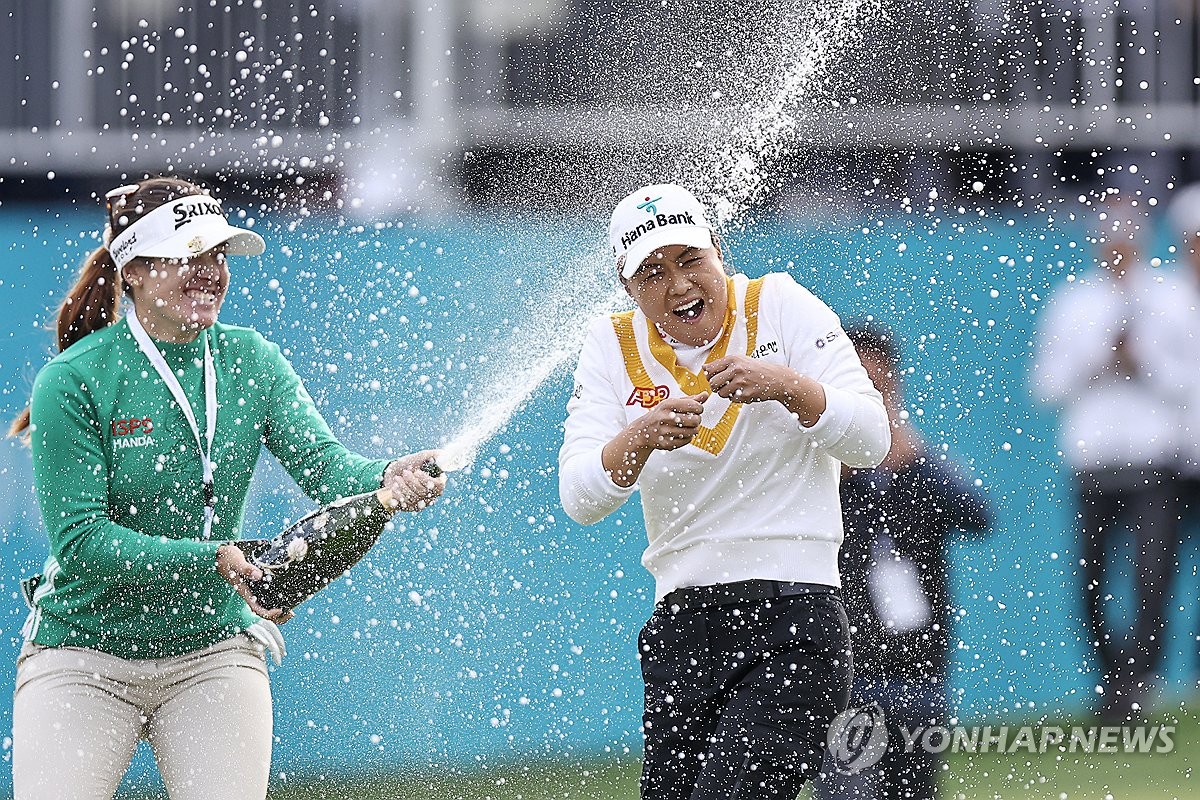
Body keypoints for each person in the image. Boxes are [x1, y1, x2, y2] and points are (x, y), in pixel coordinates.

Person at [9, 177, 447, 800]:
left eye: (217, 254)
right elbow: (82, 543)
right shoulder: (71, 379)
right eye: (187, 256)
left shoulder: (252, 358)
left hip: (213, 645)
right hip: (82, 653)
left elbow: (327, 468)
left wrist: (386, 476)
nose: (208, 271)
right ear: (132, 269)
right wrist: (212, 557)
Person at [558, 183, 891, 799]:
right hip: (682, 624)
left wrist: (787, 384)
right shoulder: (611, 343)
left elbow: (871, 439)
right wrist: (639, 438)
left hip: (796, 615)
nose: (679, 285)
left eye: (690, 260)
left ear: (719, 252)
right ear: (629, 290)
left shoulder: (781, 303)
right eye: (652, 272)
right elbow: (579, 496)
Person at [813, 323, 989, 800]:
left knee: (913, 789)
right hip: (846, 670)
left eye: (880, 384)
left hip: (919, 668)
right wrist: (841, 472)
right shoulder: (818, 467)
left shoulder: (916, 463)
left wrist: (913, 463)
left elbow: (978, 515)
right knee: (847, 790)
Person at [1031, 197, 1183, 722]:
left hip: (1153, 463)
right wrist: (1099, 358)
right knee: (1090, 583)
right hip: (1094, 464)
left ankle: (1136, 681)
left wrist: (1145, 363)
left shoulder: (1172, 299)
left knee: (1151, 578)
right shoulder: (1072, 303)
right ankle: (1115, 675)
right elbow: (1045, 385)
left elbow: (1189, 380)